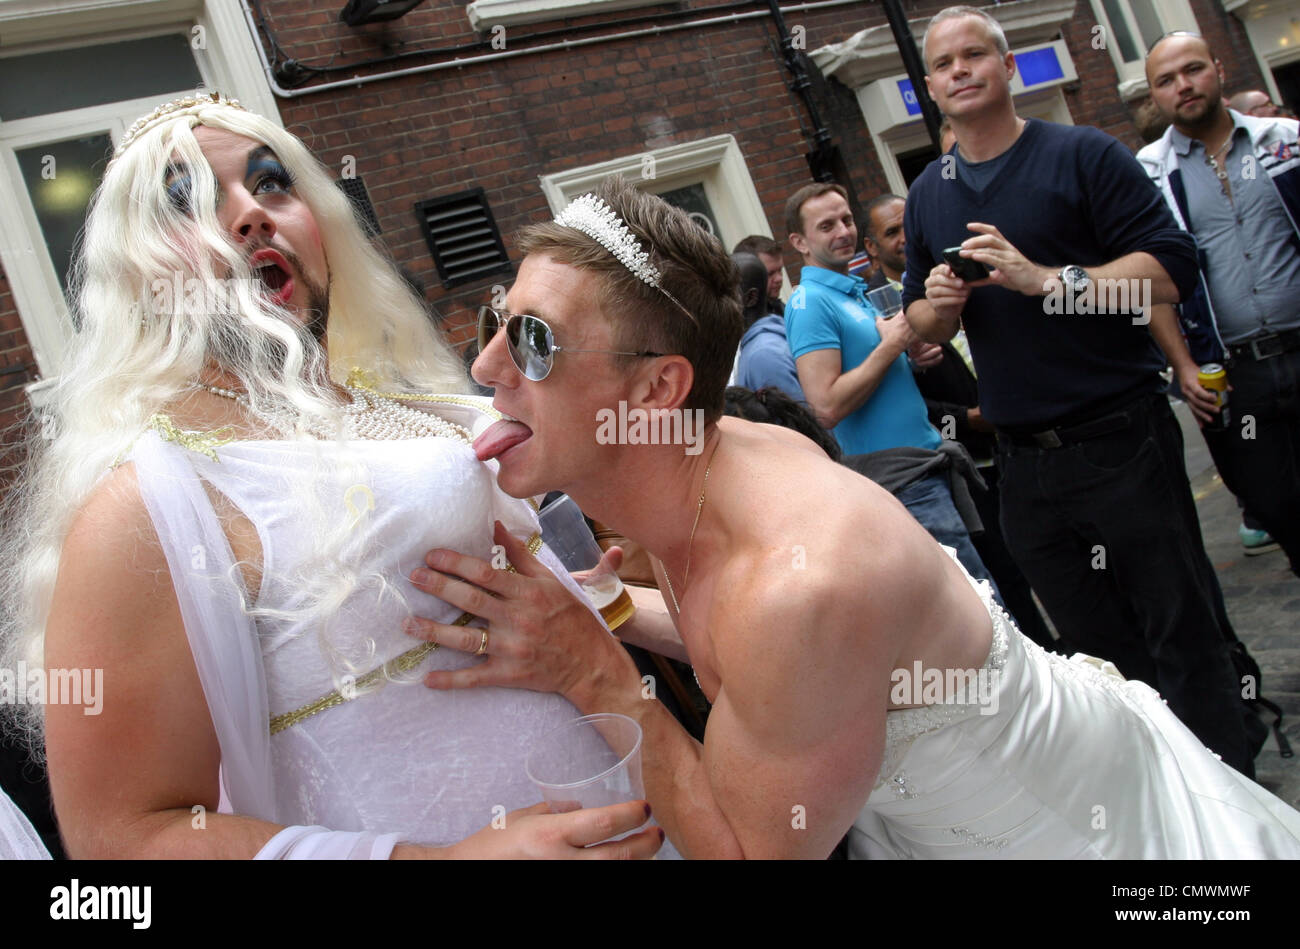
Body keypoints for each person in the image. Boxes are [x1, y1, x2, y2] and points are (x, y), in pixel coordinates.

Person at [407, 175, 1300, 858]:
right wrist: (600, 609)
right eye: (498, 319)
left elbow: (758, 847)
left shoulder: (797, 585)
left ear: (655, 389)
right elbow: (740, 644)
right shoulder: (716, 457)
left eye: (533, 338)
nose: (486, 366)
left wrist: (597, 672)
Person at [0, 94, 662, 860]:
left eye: (272, 183)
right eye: (188, 201)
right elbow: (122, 838)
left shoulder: (402, 412)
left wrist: (601, 606)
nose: (251, 214)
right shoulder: (143, 506)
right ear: (140, 271)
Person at [901, 6, 1257, 775]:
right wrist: (939, 300)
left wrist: (1043, 281)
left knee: (1183, 631)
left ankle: (1230, 799)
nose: (960, 70)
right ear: (929, 87)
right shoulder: (931, 190)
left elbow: (1168, 272)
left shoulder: (1082, 155)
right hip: (1025, 466)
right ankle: (1159, 791)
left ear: (1007, 67)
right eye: (943, 64)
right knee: (1099, 657)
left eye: (974, 55)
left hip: (1120, 438)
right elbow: (919, 320)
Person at [1136, 34, 1300, 579]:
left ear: (1218, 68)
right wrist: (1183, 366)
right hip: (1231, 373)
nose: (1183, 86)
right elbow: (1154, 281)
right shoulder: (1149, 172)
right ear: (1154, 95)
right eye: (1166, 80)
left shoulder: (1287, 142)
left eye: (1193, 70)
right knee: (1274, 505)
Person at [783, 182, 994, 589]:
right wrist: (894, 344)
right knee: (977, 610)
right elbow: (825, 406)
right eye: (826, 226)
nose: (842, 231)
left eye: (846, 219)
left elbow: (868, 376)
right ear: (800, 241)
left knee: (984, 601)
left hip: (927, 468)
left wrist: (907, 359)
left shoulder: (854, 290)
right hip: (901, 484)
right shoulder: (808, 304)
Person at [733, 252, 807, 402]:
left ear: (750, 298)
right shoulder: (764, 342)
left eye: (722, 293)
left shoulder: (762, 355)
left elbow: (796, 423)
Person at [863, 194, 907, 292]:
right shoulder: (873, 304)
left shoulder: (946, 273)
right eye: (892, 232)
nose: (905, 238)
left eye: (910, 225)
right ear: (871, 247)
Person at [732, 235, 786, 316]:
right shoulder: (740, 322)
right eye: (770, 273)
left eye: (780, 270)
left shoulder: (778, 308)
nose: (779, 278)